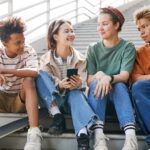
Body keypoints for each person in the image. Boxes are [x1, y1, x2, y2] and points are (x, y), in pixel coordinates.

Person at [35, 19, 103, 150]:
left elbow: (83, 83)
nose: (71, 33)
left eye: (72, 30)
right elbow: (45, 84)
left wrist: (78, 84)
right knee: (39, 75)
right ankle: (57, 116)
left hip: (73, 100)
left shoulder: (82, 59)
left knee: (76, 92)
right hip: (54, 100)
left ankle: (82, 138)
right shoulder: (45, 58)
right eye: (66, 31)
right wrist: (60, 85)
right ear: (55, 36)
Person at [86, 6, 138, 150]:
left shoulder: (127, 47)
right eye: (98, 24)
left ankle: (130, 138)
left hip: (120, 100)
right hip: (98, 98)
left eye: (104, 24)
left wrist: (108, 78)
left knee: (119, 85)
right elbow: (89, 80)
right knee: (97, 83)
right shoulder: (93, 48)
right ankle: (98, 137)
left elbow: (125, 76)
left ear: (116, 25)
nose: (100, 28)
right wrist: (99, 75)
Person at [0, 17, 41, 150]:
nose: (22, 45)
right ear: (5, 43)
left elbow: (34, 71)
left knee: (29, 80)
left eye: (23, 41)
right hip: (2, 98)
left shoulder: (28, 51)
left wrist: (5, 70)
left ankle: (34, 132)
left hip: (20, 99)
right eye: (17, 43)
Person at [131, 6, 150, 150]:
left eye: (145, 26)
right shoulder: (139, 52)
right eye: (139, 29)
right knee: (138, 88)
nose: (141, 32)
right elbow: (136, 77)